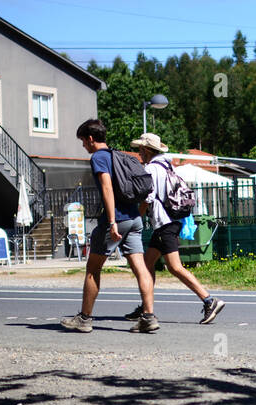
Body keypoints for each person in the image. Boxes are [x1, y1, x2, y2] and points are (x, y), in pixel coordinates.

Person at [60, 119, 157, 333]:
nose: (83, 146)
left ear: (91, 139)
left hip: (117, 220)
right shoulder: (118, 155)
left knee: (93, 269)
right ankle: (148, 317)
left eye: (83, 141)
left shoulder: (99, 157)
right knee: (141, 268)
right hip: (134, 219)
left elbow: (107, 189)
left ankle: (84, 319)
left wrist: (112, 221)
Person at [127, 132, 226, 326]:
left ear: (147, 150)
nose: (139, 153)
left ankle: (209, 300)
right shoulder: (166, 165)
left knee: (175, 266)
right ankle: (146, 307)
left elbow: (148, 198)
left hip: (165, 223)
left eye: (140, 150)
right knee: (147, 264)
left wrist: (135, 218)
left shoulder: (152, 169)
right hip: (170, 221)